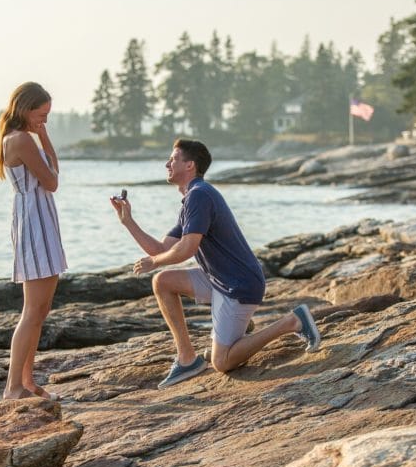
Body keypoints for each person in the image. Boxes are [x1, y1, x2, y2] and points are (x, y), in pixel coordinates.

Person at [110, 138, 321, 389]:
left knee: (222, 362)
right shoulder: (192, 198)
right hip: (218, 279)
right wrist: (128, 222)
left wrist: (154, 262)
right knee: (163, 282)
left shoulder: (200, 196)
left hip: (238, 285)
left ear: (190, 165)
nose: (167, 163)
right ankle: (187, 358)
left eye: (173, 158)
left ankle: (292, 321)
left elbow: (186, 249)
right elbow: (163, 249)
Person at [0, 81, 67, 400]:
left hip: (38, 218)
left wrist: (44, 133)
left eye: (48, 116)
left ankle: (27, 381)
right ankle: (13, 387)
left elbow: (53, 172)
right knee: (33, 309)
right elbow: (51, 181)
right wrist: (39, 136)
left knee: (41, 308)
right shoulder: (20, 139)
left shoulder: (25, 137)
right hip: (34, 222)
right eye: (42, 114)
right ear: (25, 109)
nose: (45, 121)